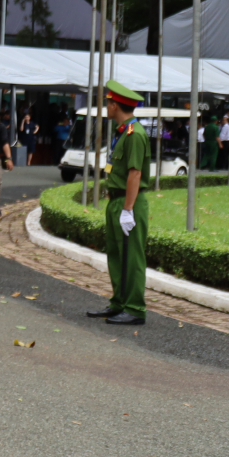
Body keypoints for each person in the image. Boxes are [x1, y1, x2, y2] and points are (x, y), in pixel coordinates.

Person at [86, 80, 152, 326]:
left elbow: (135, 174)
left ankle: (135, 308)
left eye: (107, 103)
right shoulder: (123, 132)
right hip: (117, 201)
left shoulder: (135, 135)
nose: (106, 107)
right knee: (116, 255)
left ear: (114, 105)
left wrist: (127, 209)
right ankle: (119, 303)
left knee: (132, 256)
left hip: (129, 203)